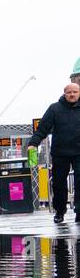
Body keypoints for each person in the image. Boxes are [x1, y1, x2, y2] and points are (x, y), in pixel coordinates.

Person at [28, 82, 80, 223]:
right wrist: (33, 143)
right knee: (58, 184)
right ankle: (60, 211)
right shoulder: (54, 109)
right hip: (60, 152)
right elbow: (43, 128)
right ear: (64, 93)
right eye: (69, 92)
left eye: (75, 92)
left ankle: (79, 211)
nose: (72, 94)